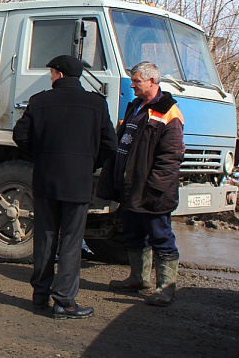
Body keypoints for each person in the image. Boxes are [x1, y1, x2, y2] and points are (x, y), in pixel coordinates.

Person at [13, 55, 117, 319]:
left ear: (58, 74)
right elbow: (110, 145)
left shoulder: (40, 101)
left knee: (45, 237)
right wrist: (89, 165)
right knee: (71, 241)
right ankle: (65, 302)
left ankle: (39, 297)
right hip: (78, 182)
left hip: (46, 179)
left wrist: (40, 157)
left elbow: (20, 136)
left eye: (50, 72)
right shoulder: (96, 104)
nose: (50, 76)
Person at [96, 61, 185, 307]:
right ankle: (139, 278)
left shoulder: (169, 112)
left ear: (152, 82)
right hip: (130, 187)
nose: (132, 85)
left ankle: (166, 287)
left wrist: (154, 188)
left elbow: (171, 158)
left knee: (161, 236)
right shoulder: (136, 106)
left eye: (136, 81)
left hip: (151, 191)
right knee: (134, 235)